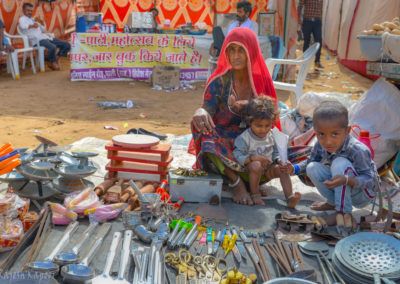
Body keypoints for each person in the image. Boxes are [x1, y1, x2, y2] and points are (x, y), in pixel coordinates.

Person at [191, 27, 280, 206]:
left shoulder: (260, 80)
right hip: (223, 144)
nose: (236, 55)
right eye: (232, 49)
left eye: (241, 50)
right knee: (203, 133)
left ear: (251, 52)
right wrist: (200, 112)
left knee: (291, 156)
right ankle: (237, 182)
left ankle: (253, 180)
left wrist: (251, 106)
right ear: (226, 52)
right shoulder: (220, 82)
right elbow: (206, 111)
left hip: (254, 144)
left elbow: (271, 117)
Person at [288, 100, 376, 225]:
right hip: (343, 186)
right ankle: (333, 202)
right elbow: (310, 162)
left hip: (363, 194)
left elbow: (370, 180)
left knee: (340, 163)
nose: (328, 141)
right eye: (321, 134)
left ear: (347, 131)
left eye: (335, 134)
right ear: (315, 131)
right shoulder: (320, 145)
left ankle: (343, 212)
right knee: (312, 167)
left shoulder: (357, 150)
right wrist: (293, 168)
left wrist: (347, 180)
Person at [233, 96, 301, 207]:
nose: (263, 129)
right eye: (258, 125)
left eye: (267, 125)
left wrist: (279, 160)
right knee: (256, 165)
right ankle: (255, 194)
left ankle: (289, 197)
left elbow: (275, 153)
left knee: (282, 168)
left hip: (267, 171)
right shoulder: (245, 138)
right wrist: (253, 158)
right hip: (249, 173)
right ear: (250, 122)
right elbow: (237, 155)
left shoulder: (272, 135)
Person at [19, 2, 70, 71]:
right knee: (53, 47)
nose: (30, 12)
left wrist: (41, 21)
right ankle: (53, 62)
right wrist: (32, 26)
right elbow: (23, 26)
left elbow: (43, 28)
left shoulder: (33, 19)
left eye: (31, 11)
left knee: (66, 44)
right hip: (36, 40)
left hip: (45, 38)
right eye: (28, 10)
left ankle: (53, 60)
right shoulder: (22, 19)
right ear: (23, 10)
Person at [297, 0, 323, 69]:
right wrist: (298, 18)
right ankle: (305, 62)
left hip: (317, 22)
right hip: (307, 21)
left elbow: (321, 8)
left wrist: (321, 19)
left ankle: (317, 61)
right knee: (306, 41)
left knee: (318, 41)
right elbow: (300, 6)